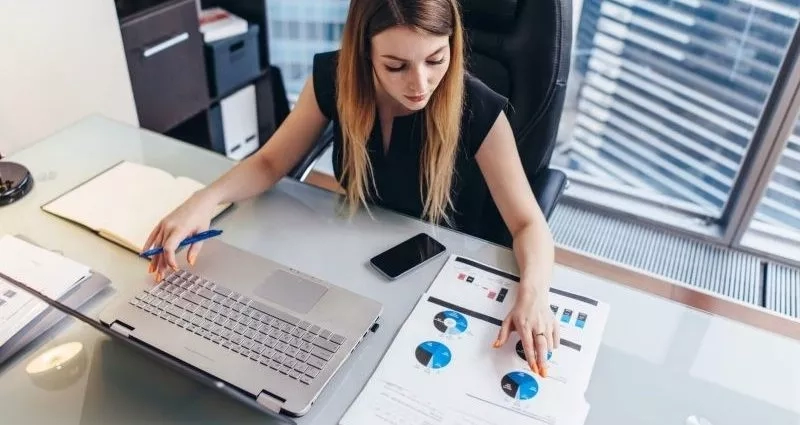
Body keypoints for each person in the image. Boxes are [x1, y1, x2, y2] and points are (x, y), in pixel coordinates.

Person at [144, 0, 558, 377]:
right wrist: (204, 199)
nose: (420, 83)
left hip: (438, 274)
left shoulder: (478, 108)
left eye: (436, 59)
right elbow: (271, 161)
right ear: (364, 54)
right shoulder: (335, 77)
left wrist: (535, 295)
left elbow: (528, 224)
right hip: (357, 261)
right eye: (395, 66)